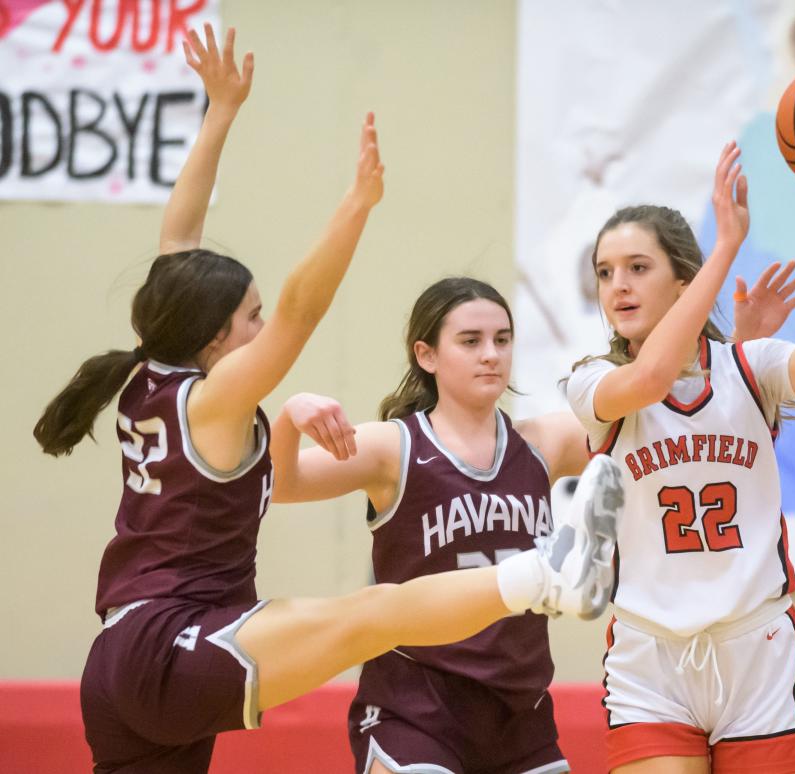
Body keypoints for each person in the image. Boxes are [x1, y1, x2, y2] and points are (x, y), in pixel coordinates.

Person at [32, 26, 623, 774]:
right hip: (178, 642)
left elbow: (179, 236)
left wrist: (219, 114)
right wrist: (356, 207)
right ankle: (548, 575)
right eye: (248, 317)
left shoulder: (154, 366)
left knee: (367, 617)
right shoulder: (213, 399)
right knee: (370, 615)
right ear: (215, 339)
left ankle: (548, 575)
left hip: (117, 654)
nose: (260, 324)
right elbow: (301, 314)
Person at [270, 262, 795, 773]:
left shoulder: (543, 442)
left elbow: (675, 429)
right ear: (426, 355)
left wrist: (740, 351)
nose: (491, 355)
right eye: (471, 341)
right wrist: (292, 416)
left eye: (502, 340)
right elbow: (282, 484)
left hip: (518, 709)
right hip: (417, 702)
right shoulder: (394, 446)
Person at [564, 135, 795, 774]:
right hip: (652, 655)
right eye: (605, 272)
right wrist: (726, 245)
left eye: (638, 267)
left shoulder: (753, 368)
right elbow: (648, 379)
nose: (618, 285)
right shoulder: (591, 382)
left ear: (683, 280)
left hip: (757, 649)